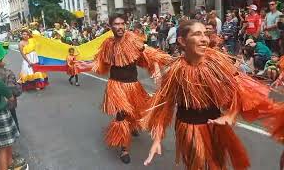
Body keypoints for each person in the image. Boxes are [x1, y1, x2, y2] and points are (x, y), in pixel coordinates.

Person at [144, 20, 282, 169]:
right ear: (182, 41)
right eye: (197, 34)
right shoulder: (174, 71)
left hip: (214, 129)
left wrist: (231, 115)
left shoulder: (217, 64)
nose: (204, 39)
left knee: (215, 165)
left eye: (205, 34)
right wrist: (157, 139)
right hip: (186, 128)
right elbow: (164, 106)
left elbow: (241, 92)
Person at [93, 13, 172, 164]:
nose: (120, 26)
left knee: (135, 110)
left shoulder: (133, 40)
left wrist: (155, 68)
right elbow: (100, 63)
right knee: (121, 115)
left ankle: (133, 125)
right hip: (116, 86)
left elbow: (148, 55)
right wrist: (81, 66)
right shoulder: (108, 44)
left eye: (122, 23)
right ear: (110, 26)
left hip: (133, 85)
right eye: (116, 24)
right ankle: (124, 149)